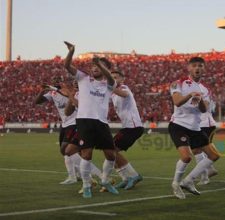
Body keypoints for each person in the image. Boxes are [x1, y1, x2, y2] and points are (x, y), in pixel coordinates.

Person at [64, 41, 118, 198]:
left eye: (98, 66)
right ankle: (86, 184)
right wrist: (71, 52)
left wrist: (100, 65)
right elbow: (67, 66)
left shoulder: (109, 83)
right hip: (85, 121)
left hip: (101, 122)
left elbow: (109, 77)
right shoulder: (83, 78)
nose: (94, 68)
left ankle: (105, 180)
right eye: (93, 66)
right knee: (86, 154)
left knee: (111, 155)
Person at [168, 57, 220, 199]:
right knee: (186, 157)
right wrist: (190, 95)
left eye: (201, 66)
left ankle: (189, 180)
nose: (198, 68)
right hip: (179, 125)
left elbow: (204, 110)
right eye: (195, 66)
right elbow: (177, 102)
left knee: (214, 155)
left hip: (196, 128)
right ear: (189, 68)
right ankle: (176, 184)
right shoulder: (178, 83)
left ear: (204, 69)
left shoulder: (205, 89)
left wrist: (200, 100)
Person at [34, 76, 80, 185]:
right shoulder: (53, 93)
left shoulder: (68, 90)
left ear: (63, 81)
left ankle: (75, 176)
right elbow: (37, 101)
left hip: (74, 122)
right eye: (54, 80)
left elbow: (65, 93)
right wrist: (43, 91)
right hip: (64, 124)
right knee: (67, 151)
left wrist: (53, 88)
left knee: (65, 149)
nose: (56, 82)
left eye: (59, 80)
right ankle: (76, 175)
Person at [111, 70, 144, 190]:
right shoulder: (113, 94)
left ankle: (134, 176)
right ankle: (125, 178)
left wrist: (109, 87)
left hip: (133, 127)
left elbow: (124, 94)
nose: (113, 79)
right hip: (127, 127)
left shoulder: (124, 87)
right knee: (110, 152)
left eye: (116, 77)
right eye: (111, 77)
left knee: (111, 150)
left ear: (122, 79)